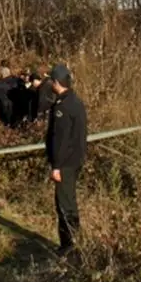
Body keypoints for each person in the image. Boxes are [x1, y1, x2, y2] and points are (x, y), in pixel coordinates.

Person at [45, 63, 87, 255]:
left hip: (65, 164)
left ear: (56, 82)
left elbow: (60, 139)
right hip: (75, 161)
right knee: (69, 200)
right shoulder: (76, 102)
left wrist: (56, 166)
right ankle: (74, 241)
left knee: (64, 204)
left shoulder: (62, 107)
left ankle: (68, 245)